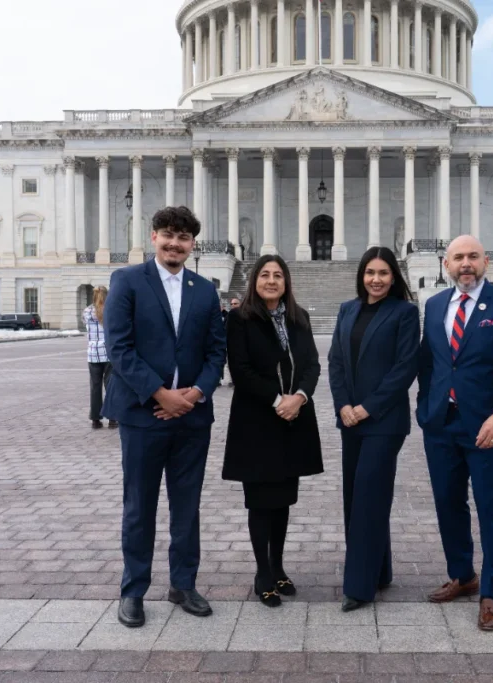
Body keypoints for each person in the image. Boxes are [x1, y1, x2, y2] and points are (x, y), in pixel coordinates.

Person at [103, 206, 226, 628]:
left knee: (186, 506)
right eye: (169, 235)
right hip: (143, 415)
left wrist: (194, 394)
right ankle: (133, 590)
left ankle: (183, 584)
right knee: (140, 506)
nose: (176, 244)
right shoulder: (127, 281)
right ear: (153, 236)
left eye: (184, 237)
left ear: (193, 244)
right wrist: (160, 393)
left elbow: (216, 351)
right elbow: (119, 348)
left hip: (191, 417)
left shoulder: (205, 290)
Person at [417, 235, 493, 632]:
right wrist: (424, 410)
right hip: (441, 424)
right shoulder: (434, 306)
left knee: (490, 507)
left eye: (472, 257)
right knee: (448, 503)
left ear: (485, 261)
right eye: (458, 258)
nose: (465, 264)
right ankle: (462, 574)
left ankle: (492, 592)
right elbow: (430, 364)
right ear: (445, 264)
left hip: (488, 427)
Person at [222, 256, 323, 608]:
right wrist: (277, 399)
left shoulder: (299, 318)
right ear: (254, 281)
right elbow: (240, 369)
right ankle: (262, 572)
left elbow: (311, 364)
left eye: (278, 275)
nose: (271, 280)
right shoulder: (240, 318)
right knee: (260, 501)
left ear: (286, 282)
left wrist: (299, 397)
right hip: (257, 421)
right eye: (265, 275)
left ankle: (278, 566)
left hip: (293, 419)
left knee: (282, 500)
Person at [328, 247, 419, 612]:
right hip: (350, 420)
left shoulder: (405, 313)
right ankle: (379, 570)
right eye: (370, 272)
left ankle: (359, 587)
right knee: (356, 497)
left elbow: (405, 368)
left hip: (384, 422)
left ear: (393, 277)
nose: (376, 279)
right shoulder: (347, 310)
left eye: (383, 273)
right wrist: (344, 406)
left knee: (368, 496)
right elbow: (335, 360)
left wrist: (368, 407)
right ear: (361, 275)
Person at [83, 286, 116, 430]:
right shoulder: (111, 310)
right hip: (108, 352)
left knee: (95, 387)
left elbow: (87, 328)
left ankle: (95, 419)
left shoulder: (87, 311)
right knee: (111, 386)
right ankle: (112, 419)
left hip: (93, 353)